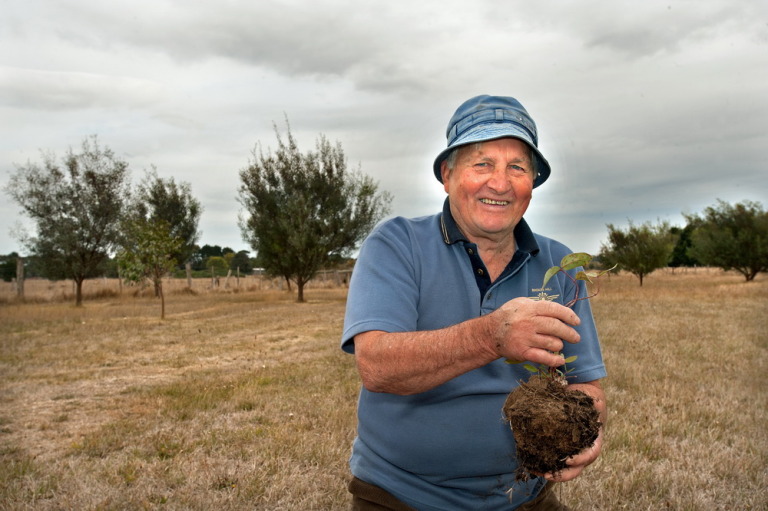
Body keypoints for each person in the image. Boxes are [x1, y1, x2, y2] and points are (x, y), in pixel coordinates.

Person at [341, 95, 607, 510]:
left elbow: (583, 383)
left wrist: (589, 427)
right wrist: (492, 336)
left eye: (517, 167)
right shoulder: (397, 245)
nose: (499, 183)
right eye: (482, 164)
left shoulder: (560, 264)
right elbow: (376, 366)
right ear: (447, 175)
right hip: (403, 496)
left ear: (531, 184)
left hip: (524, 496)